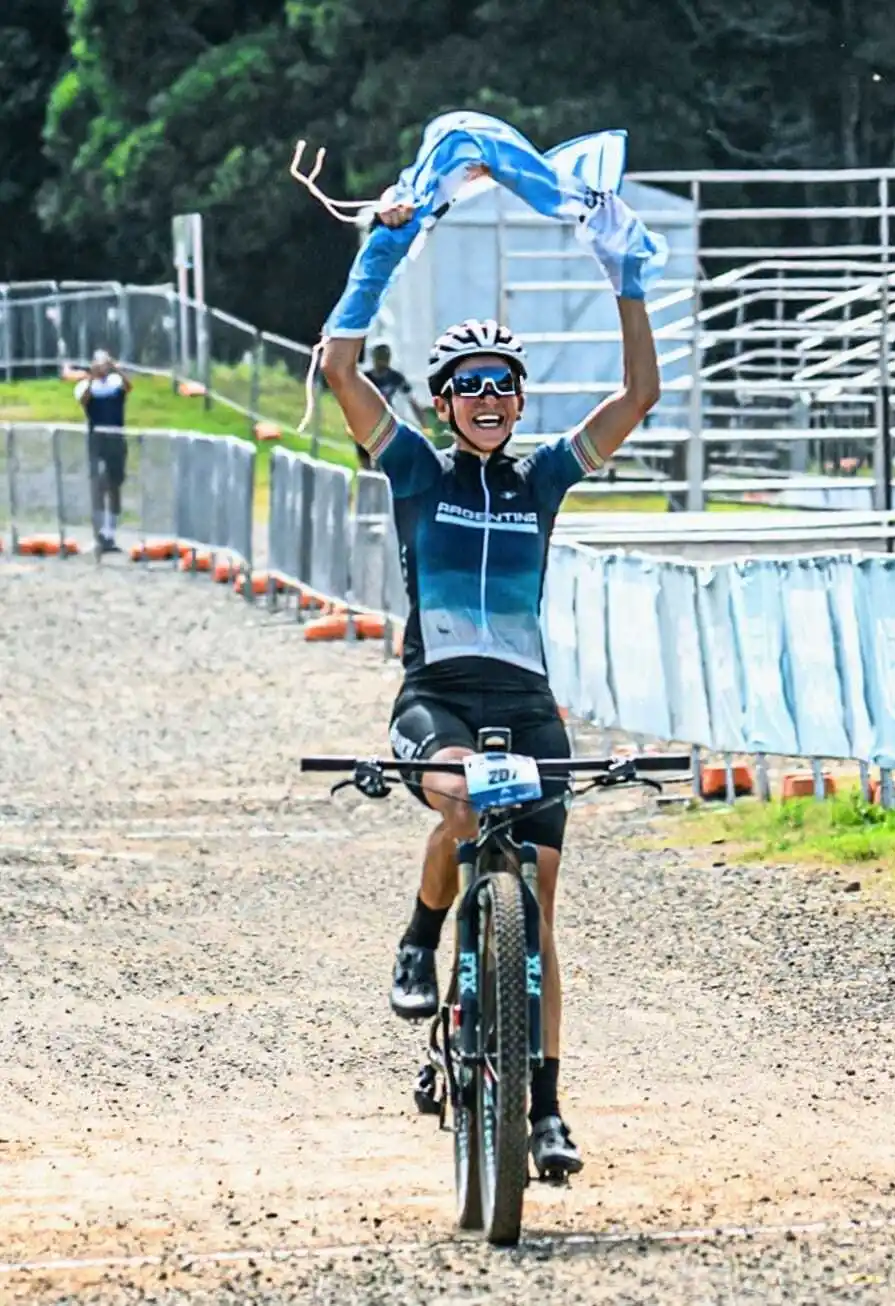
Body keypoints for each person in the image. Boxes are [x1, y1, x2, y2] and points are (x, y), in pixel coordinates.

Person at [320, 196, 660, 1178]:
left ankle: (545, 1107)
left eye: (503, 383)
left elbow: (638, 397)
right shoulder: (417, 473)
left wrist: (626, 282)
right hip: (438, 695)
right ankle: (420, 938)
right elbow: (338, 369)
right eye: (469, 383)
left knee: (539, 907)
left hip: (527, 703)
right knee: (466, 798)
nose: (488, 395)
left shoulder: (540, 479)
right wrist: (380, 251)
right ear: (443, 400)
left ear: (518, 397)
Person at [74, 349, 133, 552]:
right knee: (98, 483)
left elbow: (128, 387)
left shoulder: (116, 383)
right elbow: (84, 400)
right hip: (96, 441)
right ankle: (98, 533)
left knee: (114, 485)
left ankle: (111, 532)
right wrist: (92, 377)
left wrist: (117, 369)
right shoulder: (85, 385)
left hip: (116, 439)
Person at [356, 343, 430, 470]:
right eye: (380, 357)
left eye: (385, 357)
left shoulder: (395, 377)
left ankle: (381, 480)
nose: (383, 361)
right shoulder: (365, 378)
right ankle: (366, 481)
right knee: (365, 462)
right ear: (374, 358)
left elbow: (411, 400)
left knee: (384, 459)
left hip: (386, 422)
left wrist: (423, 422)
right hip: (366, 422)